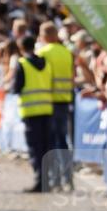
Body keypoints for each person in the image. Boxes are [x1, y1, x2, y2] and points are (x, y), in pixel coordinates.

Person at [13, 33, 54, 192]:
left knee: (35, 148)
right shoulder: (46, 62)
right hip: (47, 110)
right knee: (45, 146)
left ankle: (40, 182)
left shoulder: (22, 64)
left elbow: (17, 88)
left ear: (22, 48)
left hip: (30, 112)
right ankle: (47, 180)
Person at [38, 22, 75, 190]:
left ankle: (56, 180)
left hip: (48, 102)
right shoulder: (66, 52)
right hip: (64, 100)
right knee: (63, 141)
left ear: (45, 36)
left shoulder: (43, 52)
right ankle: (68, 178)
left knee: (51, 142)